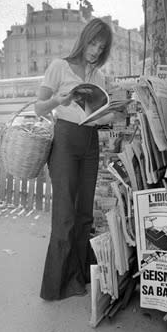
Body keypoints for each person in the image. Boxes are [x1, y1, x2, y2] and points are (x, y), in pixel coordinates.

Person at [34, 18, 123, 300]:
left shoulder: (97, 76)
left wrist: (112, 114)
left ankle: (80, 277)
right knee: (65, 213)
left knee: (85, 212)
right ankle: (57, 285)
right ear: (84, 38)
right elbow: (38, 108)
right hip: (65, 140)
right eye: (94, 42)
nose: (96, 50)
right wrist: (58, 101)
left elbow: (99, 114)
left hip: (90, 141)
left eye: (102, 46)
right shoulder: (59, 67)